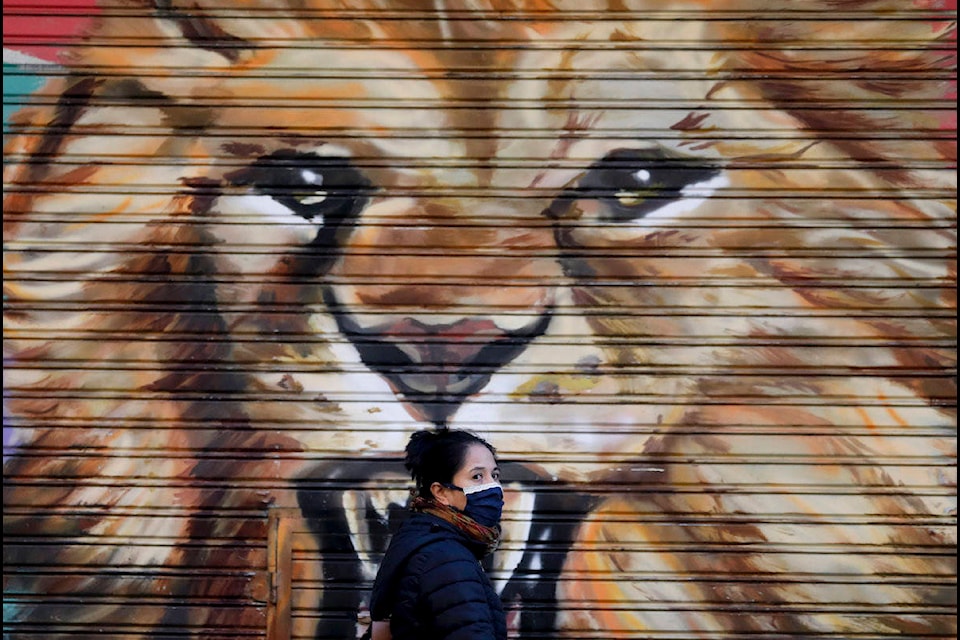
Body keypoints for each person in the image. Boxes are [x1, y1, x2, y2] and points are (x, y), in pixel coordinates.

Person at [367, 429, 508, 640]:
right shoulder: (447, 557)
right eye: (477, 476)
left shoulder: (424, 538)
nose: (493, 487)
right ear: (441, 492)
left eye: (494, 475)